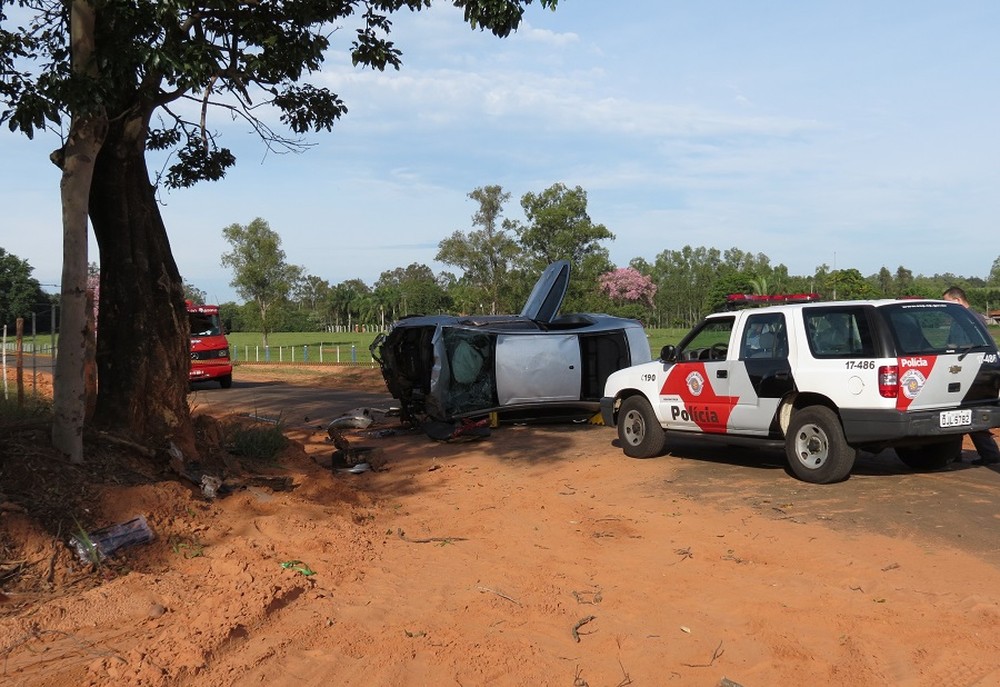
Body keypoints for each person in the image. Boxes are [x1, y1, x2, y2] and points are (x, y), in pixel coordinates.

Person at [942, 286, 1000, 465]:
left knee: (961, 412)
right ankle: (959, 453)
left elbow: (956, 347)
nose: (945, 307)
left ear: (957, 300)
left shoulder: (963, 321)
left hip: (967, 373)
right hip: (980, 371)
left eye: (947, 302)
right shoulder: (977, 317)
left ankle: (956, 454)